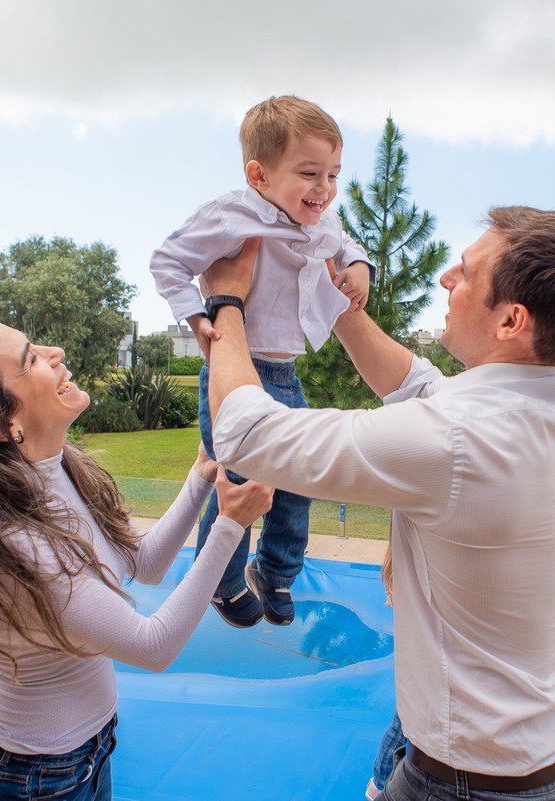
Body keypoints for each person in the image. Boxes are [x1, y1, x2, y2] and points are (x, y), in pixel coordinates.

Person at [202, 206, 555, 801]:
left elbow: (247, 436)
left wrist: (226, 304)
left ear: (511, 319)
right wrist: (335, 297)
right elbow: (418, 385)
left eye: (467, 272)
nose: (448, 278)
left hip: (474, 784)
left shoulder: (457, 439)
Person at [0, 310, 272, 801]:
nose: (56, 354)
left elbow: (142, 563)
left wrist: (201, 473)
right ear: (3, 425)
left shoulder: (52, 474)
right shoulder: (15, 546)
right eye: (30, 359)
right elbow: (153, 646)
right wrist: (230, 525)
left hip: (82, 755)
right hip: (26, 780)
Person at [150, 95, 374, 628]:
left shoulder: (321, 221)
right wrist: (195, 316)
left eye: (333, 175)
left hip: (285, 374)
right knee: (242, 482)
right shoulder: (234, 215)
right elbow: (167, 260)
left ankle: (273, 572)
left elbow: (346, 244)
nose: (324, 189)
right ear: (259, 174)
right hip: (236, 370)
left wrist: (359, 264)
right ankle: (221, 582)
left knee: (299, 480)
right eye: (309, 173)